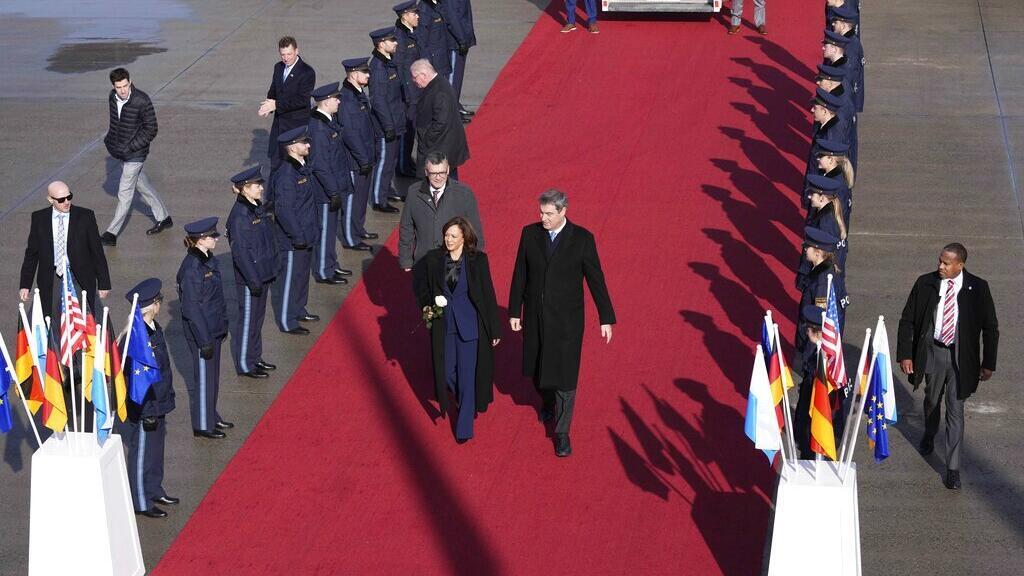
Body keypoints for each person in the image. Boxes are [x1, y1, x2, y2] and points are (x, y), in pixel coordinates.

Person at [508, 190, 616, 457]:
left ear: (563, 212)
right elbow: (520, 274)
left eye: (548, 214)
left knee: (566, 378)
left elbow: (596, 280)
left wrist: (606, 317)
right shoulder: (529, 234)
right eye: (541, 213)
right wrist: (514, 311)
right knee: (536, 370)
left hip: (567, 323)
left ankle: (562, 432)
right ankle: (546, 401)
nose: (542, 218)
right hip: (535, 317)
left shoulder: (582, 239)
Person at [897, 243, 999, 490]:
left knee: (956, 410)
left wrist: (988, 363)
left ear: (960, 265)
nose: (940, 266)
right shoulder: (925, 283)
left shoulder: (978, 288)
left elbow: (990, 328)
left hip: (961, 360)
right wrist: (905, 355)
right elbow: (908, 320)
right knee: (932, 400)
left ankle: (952, 469)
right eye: (940, 261)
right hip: (933, 353)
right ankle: (930, 433)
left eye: (946, 263)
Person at [417, 217, 501, 442]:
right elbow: (423, 287)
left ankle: (464, 427)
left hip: (470, 327)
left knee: (466, 376)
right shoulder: (434, 259)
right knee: (445, 372)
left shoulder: (478, 261)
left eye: (453, 236)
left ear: (465, 237)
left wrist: (494, 329)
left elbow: (488, 295)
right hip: (444, 325)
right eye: (446, 235)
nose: (449, 239)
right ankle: (466, 399)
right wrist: (427, 305)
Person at [118, 278, 178, 518]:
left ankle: (154, 489)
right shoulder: (136, 338)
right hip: (145, 407)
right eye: (158, 301)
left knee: (155, 450)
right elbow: (136, 381)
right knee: (142, 453)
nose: (160, 304)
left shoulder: (153, 328)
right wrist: (146, 411)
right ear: (152, 305)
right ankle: (141, 500)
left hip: (158, 401)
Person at [101, 68, 173, 247]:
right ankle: (164, 218)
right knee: (142, 184)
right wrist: (111, 142)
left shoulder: (142, 100)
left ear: (130, 81)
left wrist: (131, 147)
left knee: (124, 192)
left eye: (126, 85)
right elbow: (115, 123)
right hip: (121, 152)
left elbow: (152, 129)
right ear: (113, 86)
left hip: (136, 153)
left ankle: (111, 233)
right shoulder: (112, 97)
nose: (123, 90)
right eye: (119, 87)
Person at [19, 181, 112, 318]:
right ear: (50, 199)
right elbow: (32, 254)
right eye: (61, 200)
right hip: (52, 277)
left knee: (82, 318)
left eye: (69, 197)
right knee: (52, 318)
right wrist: (25, 285)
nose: (66, 202)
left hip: (79, 277)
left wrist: (104, 283)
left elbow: (96, 251)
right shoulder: (39, 218)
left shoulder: (86, 216)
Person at [176, 218, 232, 439]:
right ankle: (203, 424)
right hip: (203, 333)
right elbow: (191, 308)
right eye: (211, 236)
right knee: (204, 379)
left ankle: (211, 415)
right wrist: (204, 340)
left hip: (213, 327)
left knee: (212, 377)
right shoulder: (192, 269)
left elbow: (214, 299)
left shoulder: (208, 260)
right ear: (199, 241)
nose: (215, 238)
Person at [226, 166, 279, 379]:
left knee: (257, 319)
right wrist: (253, 279)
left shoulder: (255, 208)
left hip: (262, 274)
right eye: (256, 185)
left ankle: (255, 357)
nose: (261, 188)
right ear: (244, 189)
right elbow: (241, 253)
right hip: (251, 279)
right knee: (248, 321)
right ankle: (245, 364)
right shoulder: (240, 216)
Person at [269, 126, 320, 335]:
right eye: (303, 142)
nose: (308, 145)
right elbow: (284, 210)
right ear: (291, 148)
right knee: (290, 279)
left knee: (301, 275)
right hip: (293, 239)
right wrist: (297, 235)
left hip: (305, 233)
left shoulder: (302, 166)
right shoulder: (286, 174)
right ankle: (288, 320)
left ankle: (299, 309)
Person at [398, 151, 484, 272]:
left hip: (455, 265)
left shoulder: (464, 193)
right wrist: (405, 259)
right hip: (423, 262)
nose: (438, 177)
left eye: (442, 173)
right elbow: (406, 228)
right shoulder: (414, 192)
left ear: (448, 170)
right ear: (426, 172)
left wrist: (476, 260)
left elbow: (475, 230)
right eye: (433, 173)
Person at [307, 82, 352, 285]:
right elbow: (321, 165)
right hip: (325, 191)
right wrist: (333, 191)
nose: (339, 101)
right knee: (325, 230)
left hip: (334, 187)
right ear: (325, 102)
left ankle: (331, 264)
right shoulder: (318, 128)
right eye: (336, 98)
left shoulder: (328, 121)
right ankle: (324, 270)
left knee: (331, 229)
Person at [339, 57, 379, 252]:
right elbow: (349, 133)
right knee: (352, 200)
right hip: (355, 160)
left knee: (362, 197)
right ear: (354, 75)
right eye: (365, 72)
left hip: (365, 156)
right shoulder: (347, 99)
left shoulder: (358, 94)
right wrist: (363, 158)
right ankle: (350, 237)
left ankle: (358, 228)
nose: (368, 75)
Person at [258, 36, 315, 167]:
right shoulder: (278, 67)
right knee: (276, 166)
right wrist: (268, 105)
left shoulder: (307, 72)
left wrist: (276, 105)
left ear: (297, 51)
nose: (286, 58)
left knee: (294, 168)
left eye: (289, 54)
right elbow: (273, 90)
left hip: (296, 128)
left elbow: (302, 100)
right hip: (279, 127)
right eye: (283, 54)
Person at [411, 59, 469, 180]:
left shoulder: (439, 91)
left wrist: (426, 138)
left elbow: (440, 122)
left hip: (441, 147)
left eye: (414, 77)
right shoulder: (439, 84)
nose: (413, 81)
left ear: (423, 75)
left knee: (441, 183)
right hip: (445, 146)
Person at [368, 27, 405, 212]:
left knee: (392, 159)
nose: (396, 42)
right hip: (386, 125)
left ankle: (386, 190)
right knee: (384, 161)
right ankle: (378, 199)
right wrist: (388, 126)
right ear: (381, 44)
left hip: (395, 120)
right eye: (392, 40)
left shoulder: (389, 62)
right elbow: (378, 101)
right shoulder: (378, 67)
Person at [797, 175, 847, 291]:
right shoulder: (826, 216)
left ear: (822, 198)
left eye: (813, 194)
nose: (809, 197)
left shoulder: (825, 223)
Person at [393, 1, 423, 176]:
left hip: (415, 91)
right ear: (405, 17)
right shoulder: (400, 38)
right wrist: (410, 95)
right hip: (408, 94)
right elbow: (402, 70)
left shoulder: (412, 33)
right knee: (407, 129)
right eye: (414, 14)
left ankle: (406, 161)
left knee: (412, 129)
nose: (417, 16)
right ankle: (403, 165)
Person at [793, 304, 825, 459]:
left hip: (816, 429)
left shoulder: (819, 357)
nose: (806, 331)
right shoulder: (815, 348)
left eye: (809, 329)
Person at [443, 0, 476, 120]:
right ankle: (450, 112)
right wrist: (462, 40)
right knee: (453, 78)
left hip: (461, 38)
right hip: (454, 41)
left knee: (458, 76)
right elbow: (452, 18)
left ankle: (455, 105)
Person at [830, 4, 864, 113]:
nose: (833, 24)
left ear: (844, 25)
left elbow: (848, 76)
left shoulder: (849, 47)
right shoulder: (848, 42)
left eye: (836, 22)